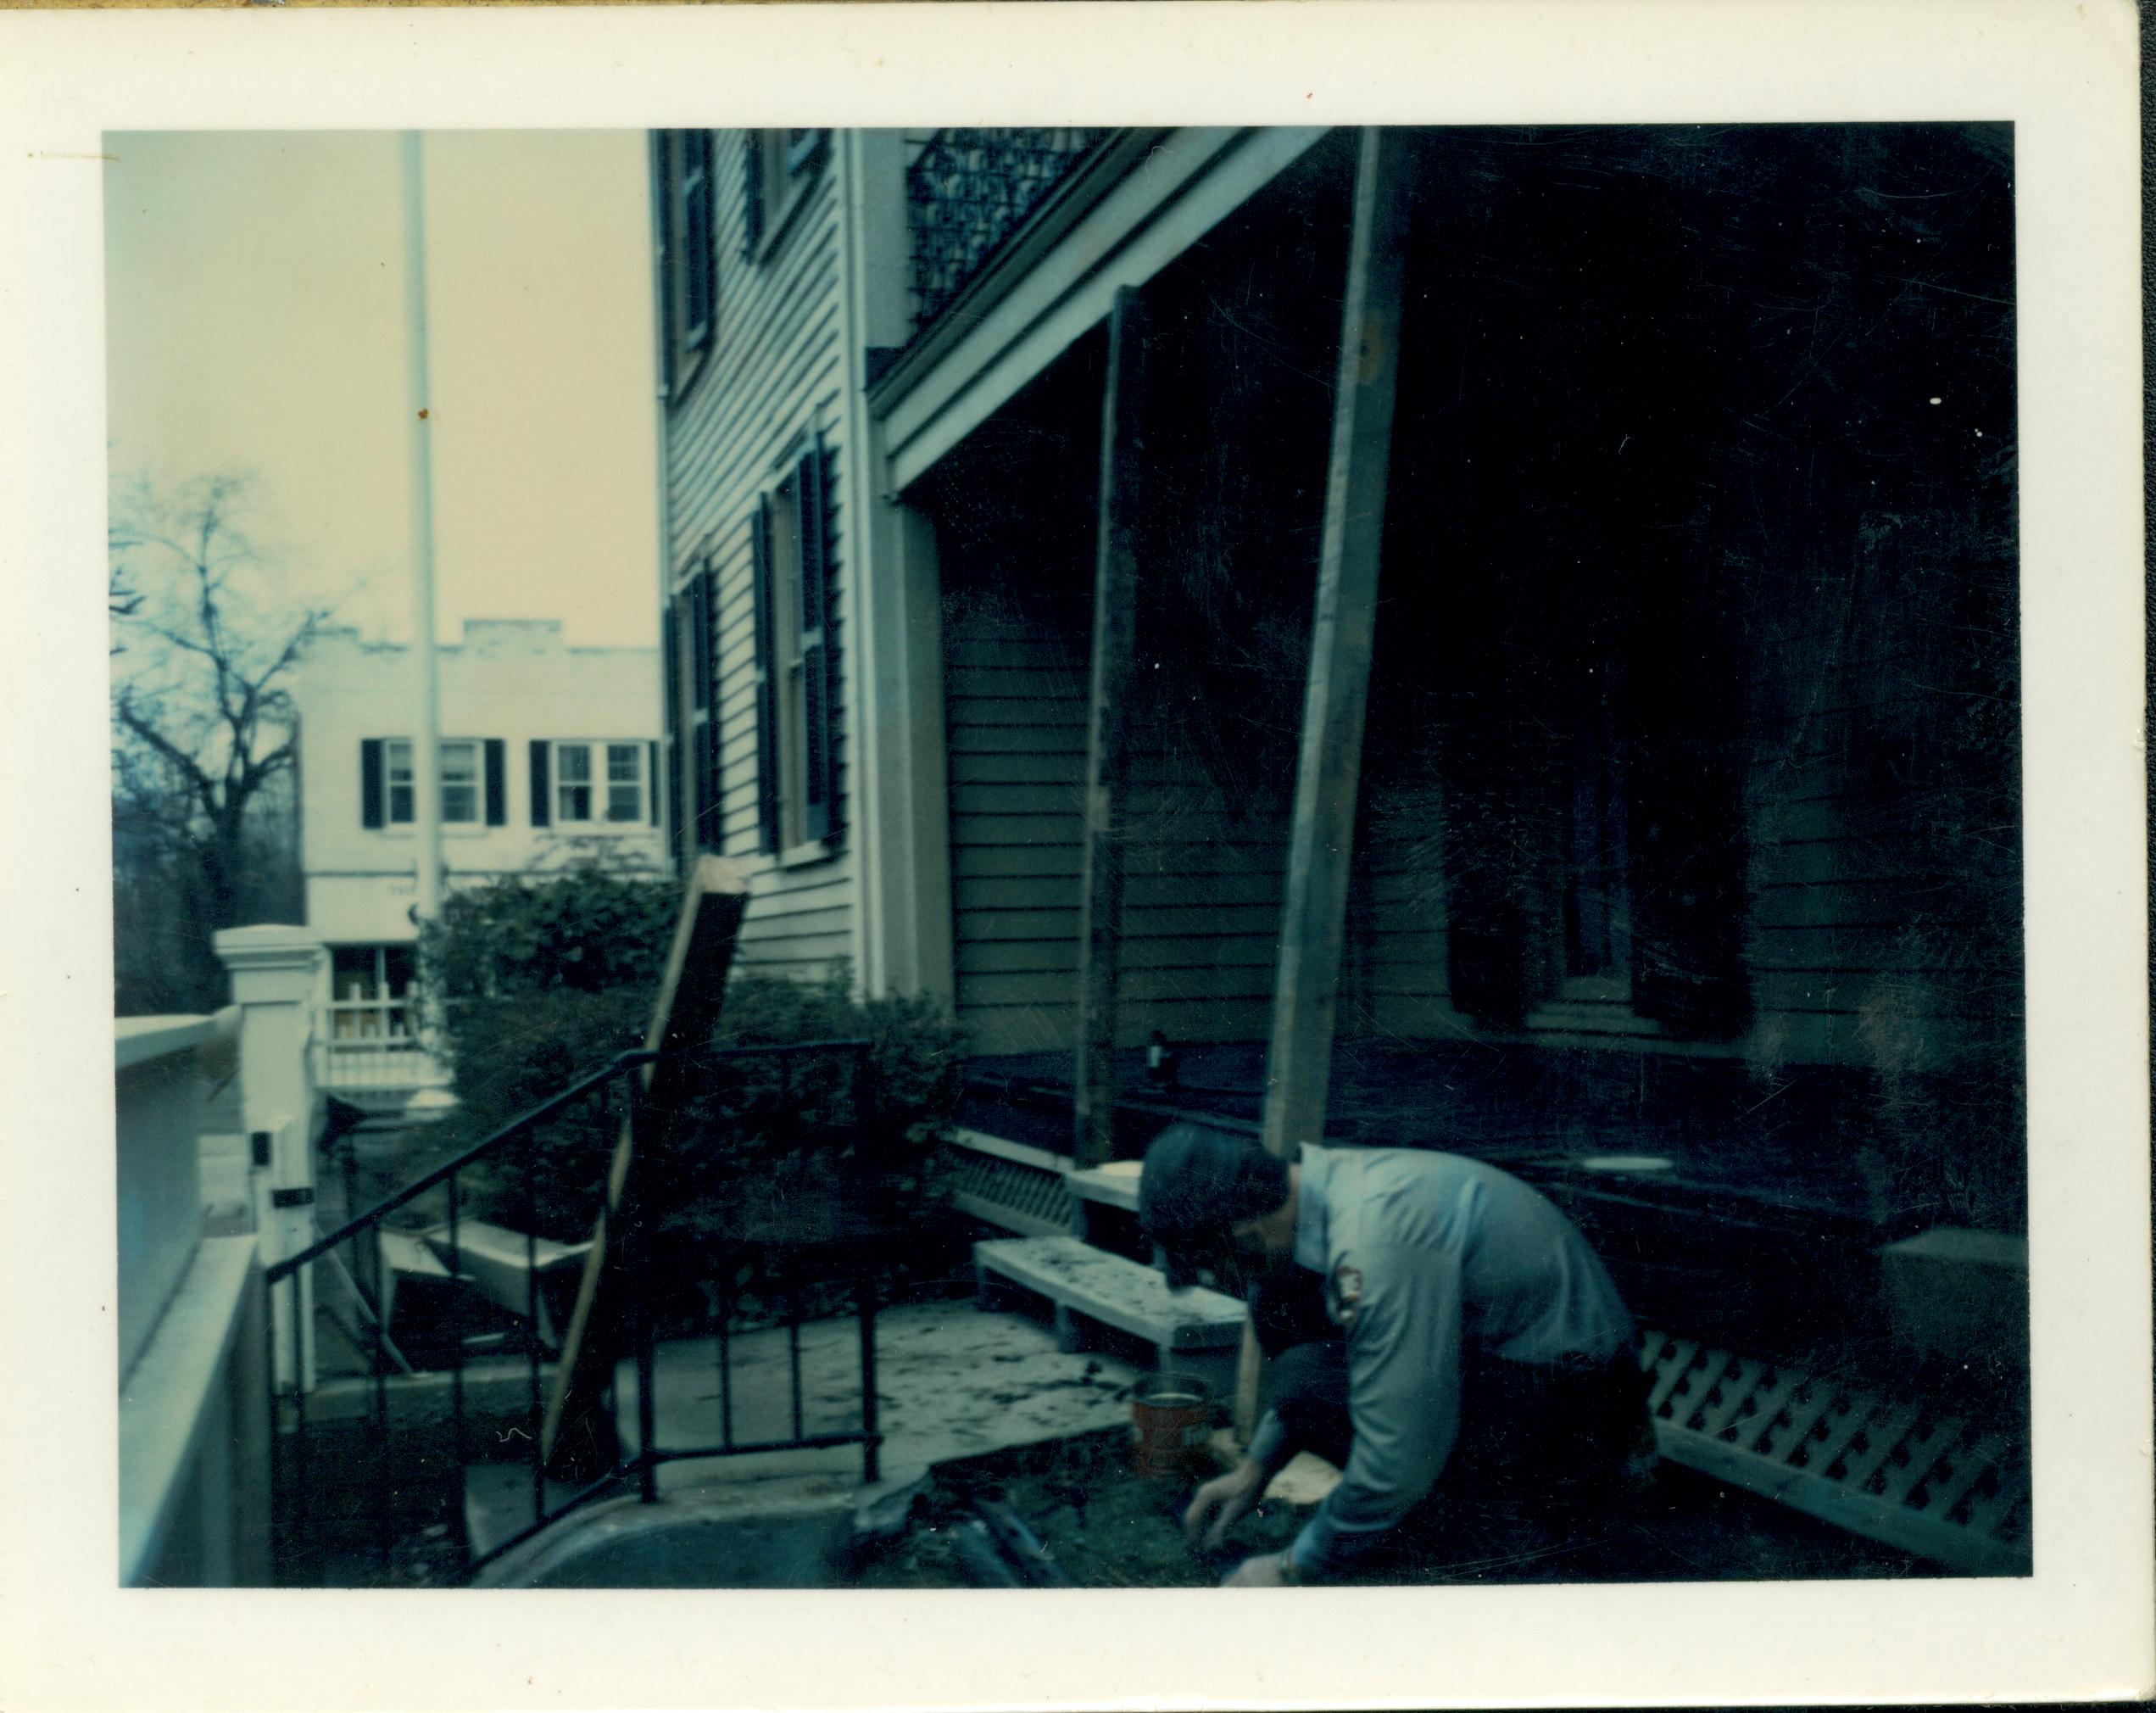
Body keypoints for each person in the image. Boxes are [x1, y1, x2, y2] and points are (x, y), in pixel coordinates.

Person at [1137, 1122, 1652, 1586]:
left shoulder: (1375, 1242)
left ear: (1245, 1235)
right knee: (1282, 1312)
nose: (1232, 1280)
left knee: (1312, 1378)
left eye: (1222, 1267)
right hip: (1510, 1364)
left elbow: (1399, 1452)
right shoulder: (1324, 1188)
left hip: (1578, 1401)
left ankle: (1505, 1534)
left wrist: (1290, 1568)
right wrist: (1256, 1469)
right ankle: (1439, 1513)